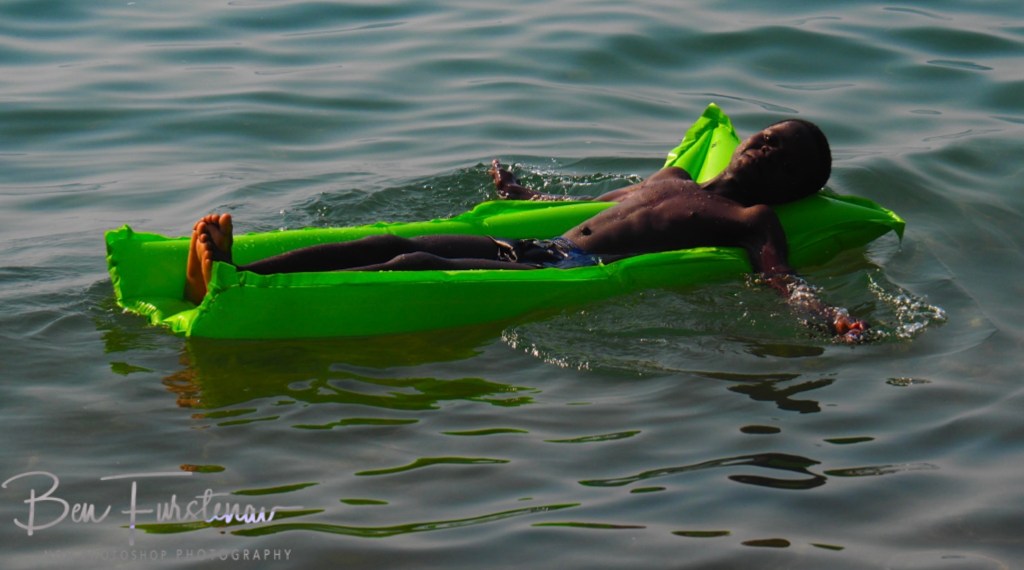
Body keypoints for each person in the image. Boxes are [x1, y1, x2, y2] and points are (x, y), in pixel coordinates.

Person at [185, 119, 868, 341]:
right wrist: (518, 192)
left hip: (566, 273)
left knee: (416, 262)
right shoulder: (675, 182)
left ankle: (245, 295)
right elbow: (585, 204)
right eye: (767, 134)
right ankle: (241, 273)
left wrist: (826, 315)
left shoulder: (749, 218)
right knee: (389, 242)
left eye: (784, 154)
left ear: (790, 184)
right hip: (545, 247)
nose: (764, 147)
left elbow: (780, 276)